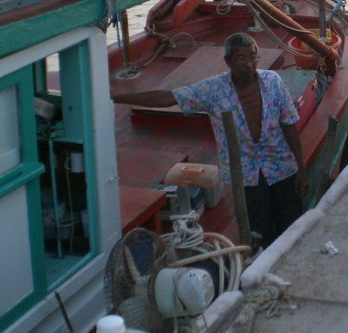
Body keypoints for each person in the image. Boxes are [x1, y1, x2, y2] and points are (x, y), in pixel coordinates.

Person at [112, 32, 309, 247]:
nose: (248, 64)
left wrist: (301, 168)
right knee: (258, 230)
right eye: (241, 58)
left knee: (292, 223)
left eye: (253, 57)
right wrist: (119, 97)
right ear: (228, 61)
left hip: (281, 165)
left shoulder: (273, 82)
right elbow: (170, 97)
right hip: (247, 173)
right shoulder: (214, 90)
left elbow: (289, 123)